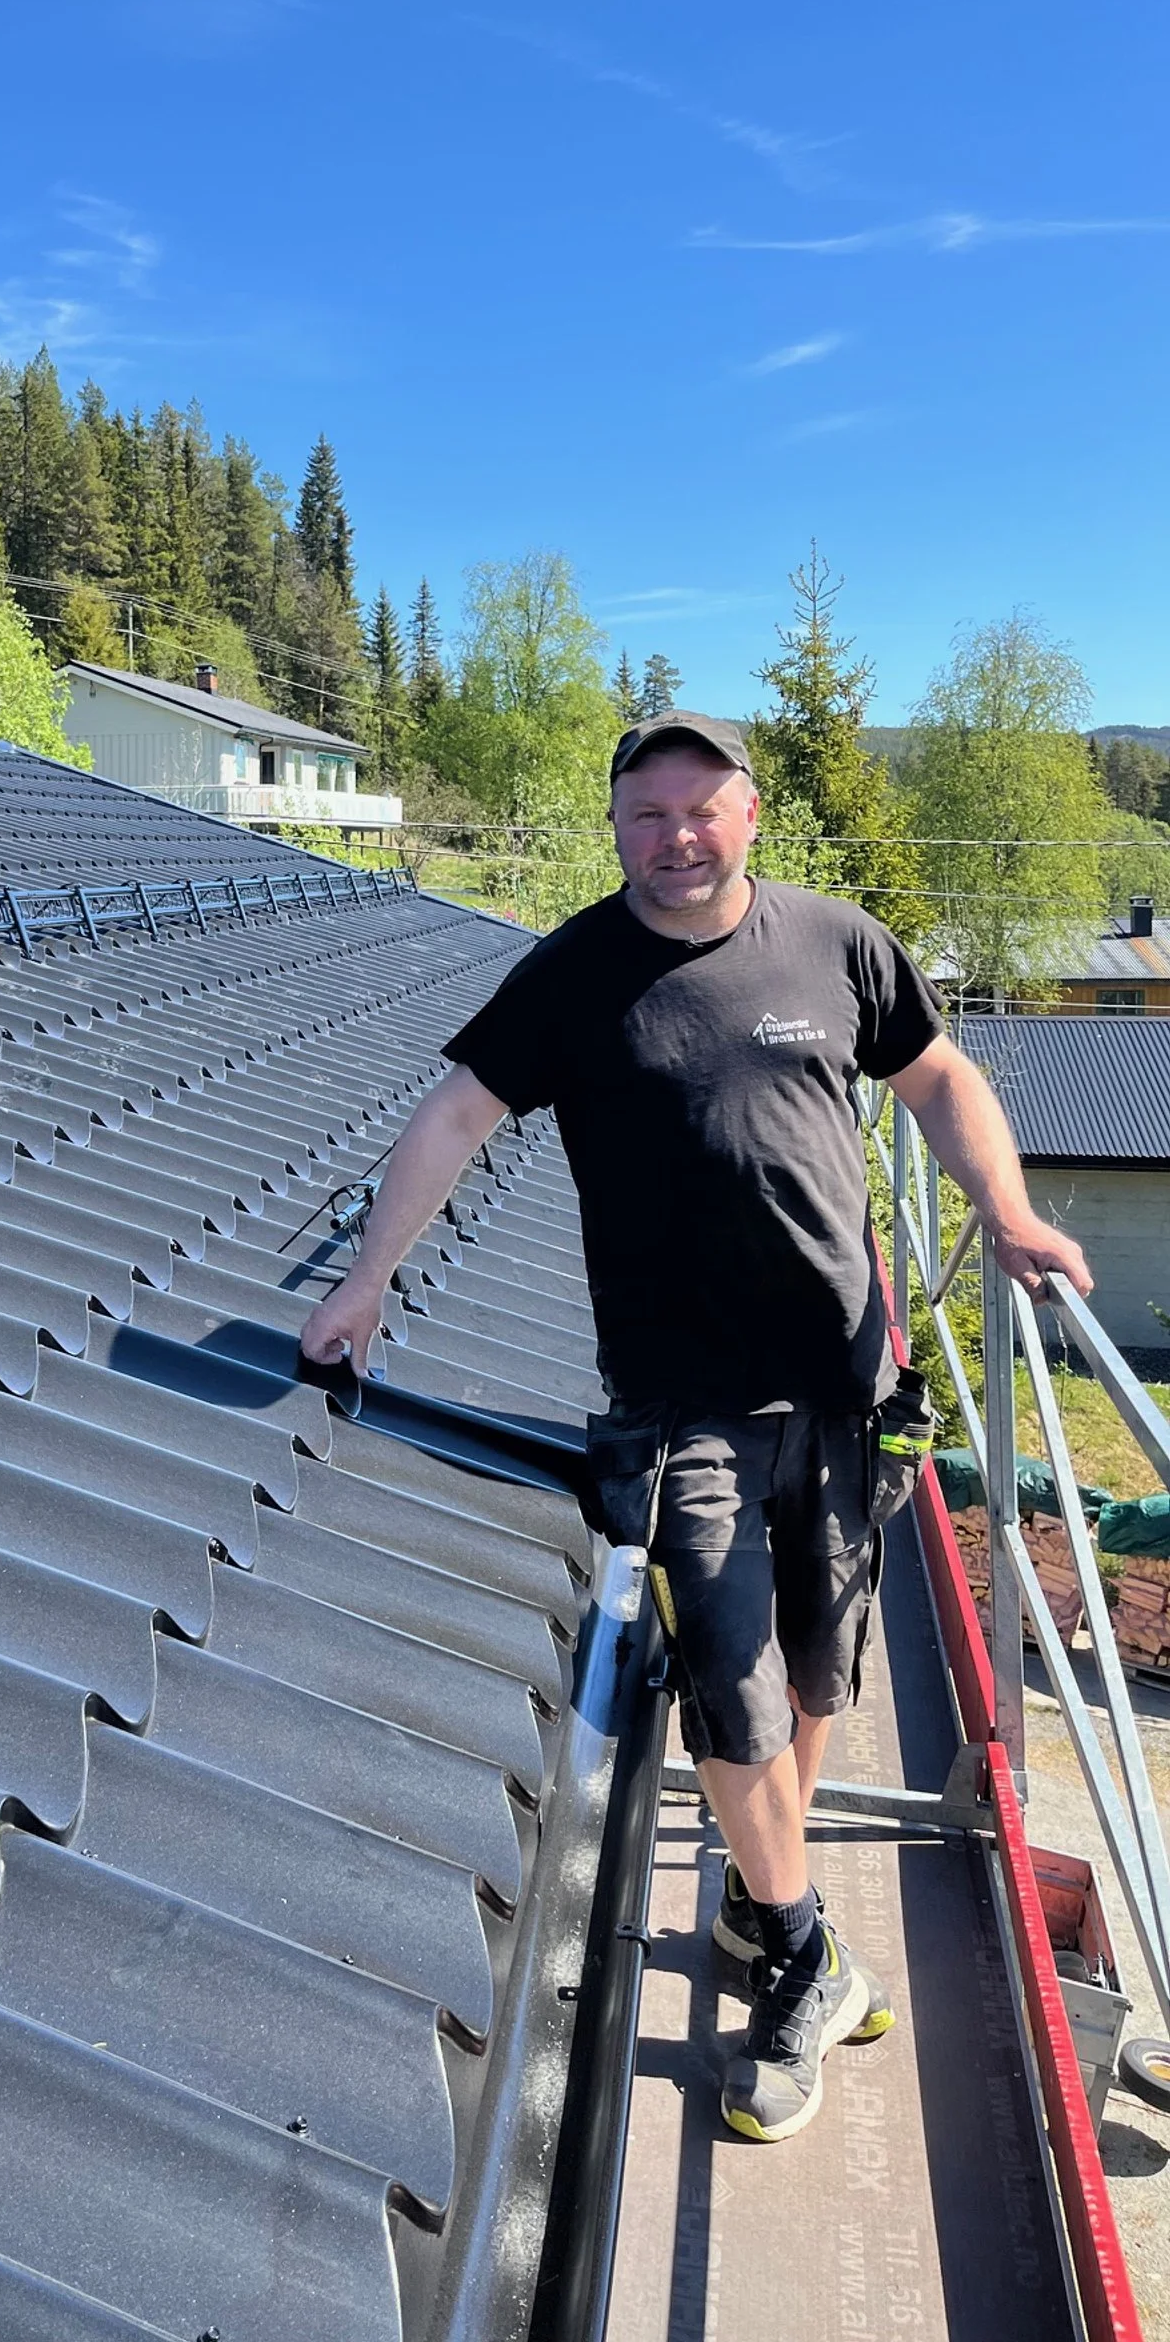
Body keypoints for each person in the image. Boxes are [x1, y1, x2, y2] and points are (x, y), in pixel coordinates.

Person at [300, 709, 1091, 2145]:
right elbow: (454, 1119)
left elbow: (940, 1079)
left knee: (815, 1675)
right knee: (725, 1681)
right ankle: (804, 1951)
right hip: (684, 1411)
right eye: (645, 815)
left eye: (700, 810)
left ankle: (755, 1891)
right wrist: (365, 1282)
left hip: (843, 1391)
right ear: (616, 831)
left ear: (751, 814)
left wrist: (1009, 1207)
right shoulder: (576, 975)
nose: (675, 838)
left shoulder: (836, 944)